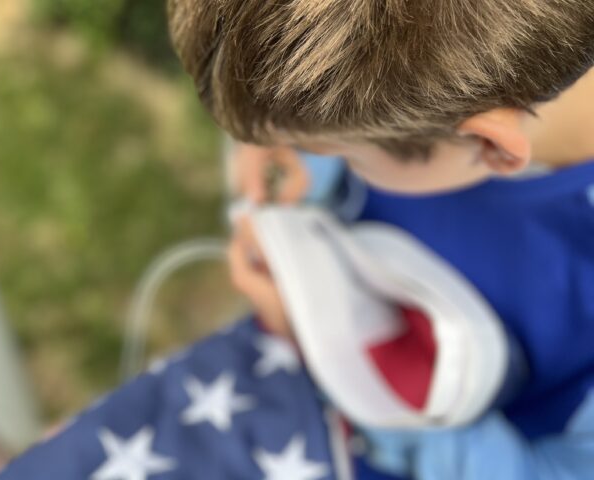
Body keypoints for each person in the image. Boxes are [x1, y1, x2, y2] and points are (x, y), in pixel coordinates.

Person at [168, 0, 594, 478]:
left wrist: (329, 352)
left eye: (349, 158)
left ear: (489, 146)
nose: (330, 160)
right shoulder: (452, 93)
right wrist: (293, 137)